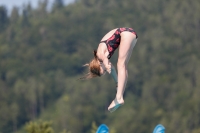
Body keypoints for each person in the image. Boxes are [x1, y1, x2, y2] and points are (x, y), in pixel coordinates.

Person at [81, 27, 138, 112]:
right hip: (131, 35)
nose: (105, 72)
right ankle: (119, 96)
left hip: (125, 33)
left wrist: (107, 65)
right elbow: (113, 71)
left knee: (121, 64)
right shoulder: (102, 59)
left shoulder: (100, 54)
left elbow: (105, 59)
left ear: (99, 64)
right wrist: (117, 83)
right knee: (123, 65)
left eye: (103, 71)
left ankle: (118, 97)